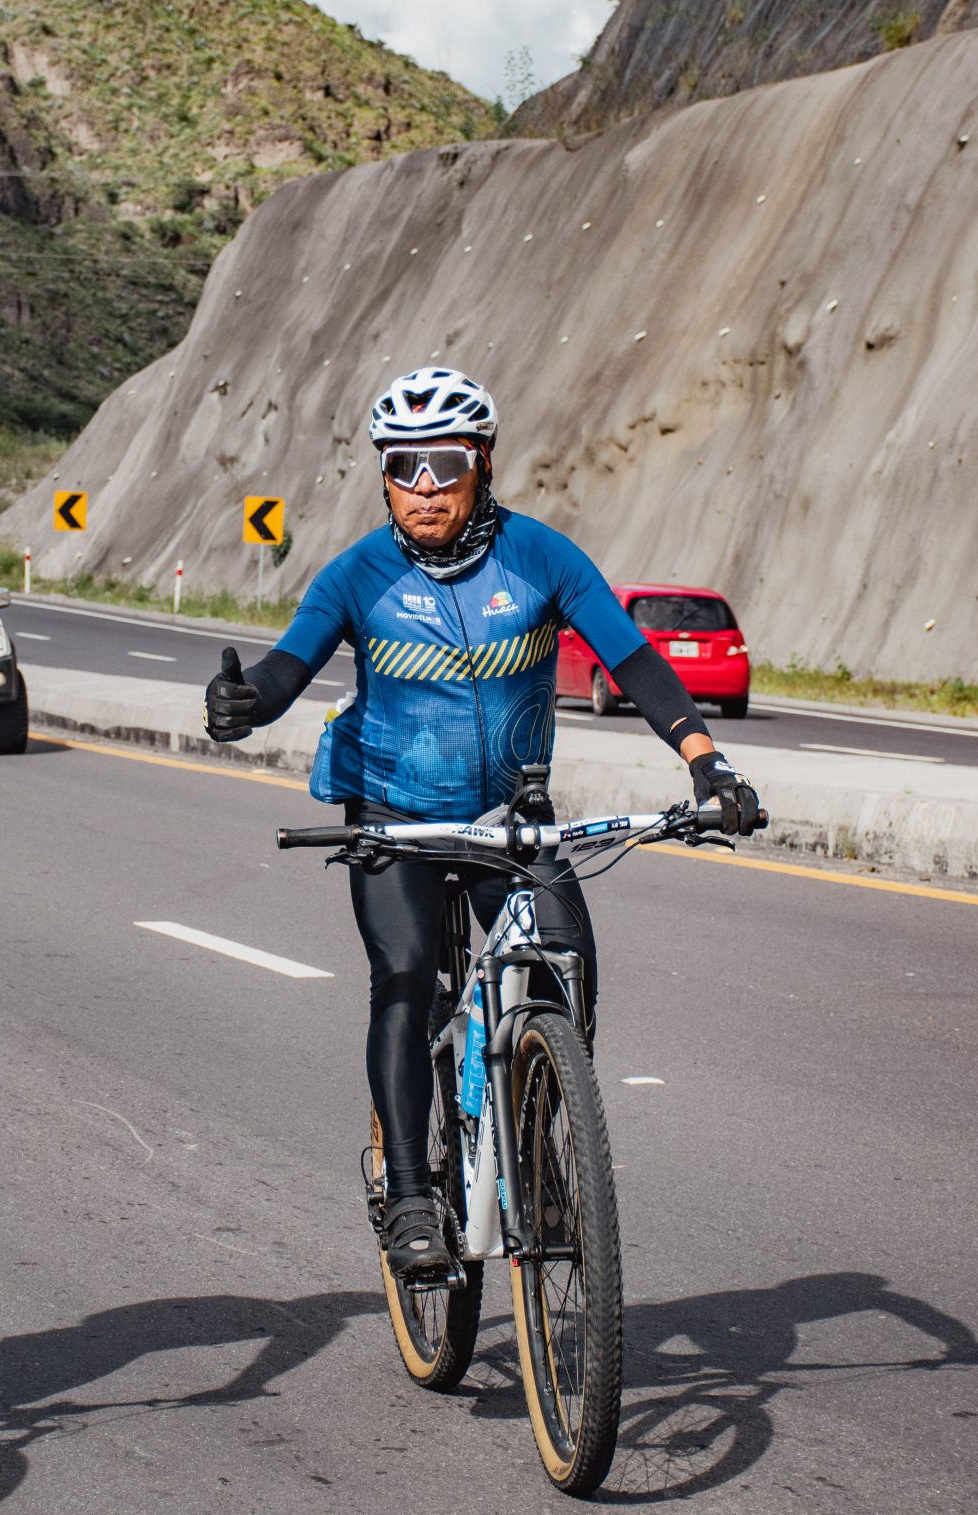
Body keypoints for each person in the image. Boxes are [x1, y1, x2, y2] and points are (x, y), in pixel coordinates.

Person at [204, 366, 763, 1281]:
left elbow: (633, 659)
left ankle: (541, 1128)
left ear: (484, 462)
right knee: (406, 971)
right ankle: (416, 1193)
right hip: (396, 816)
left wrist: (706, 757)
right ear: (383, 472)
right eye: (403, 464)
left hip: (512, 817)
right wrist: (242, 701)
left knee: (565, 962)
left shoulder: (541, 558)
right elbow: (285, 669)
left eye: (445, 462)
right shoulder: (356, 574)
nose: (424, 485)